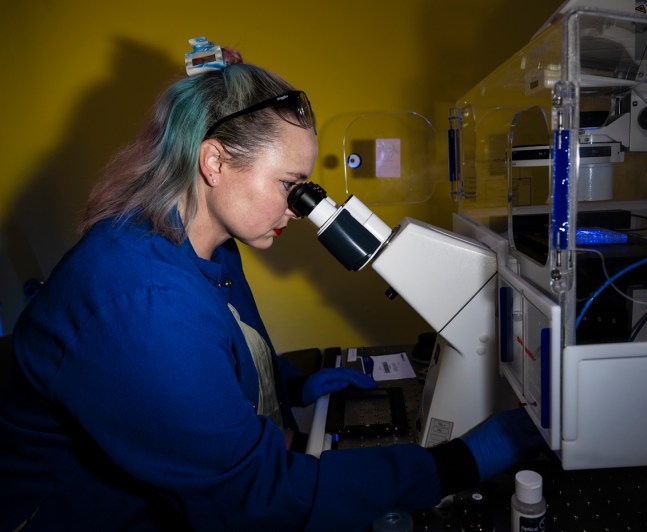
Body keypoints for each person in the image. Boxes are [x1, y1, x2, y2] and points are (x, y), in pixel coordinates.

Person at [0, 44, 545, 531]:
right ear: (214, 161)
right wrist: (462, 461)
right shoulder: (143, 298)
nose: (296, 208)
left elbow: (221, 346)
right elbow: (256, 498)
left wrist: (292, 386)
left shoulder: (202, 242)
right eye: (289, 186)